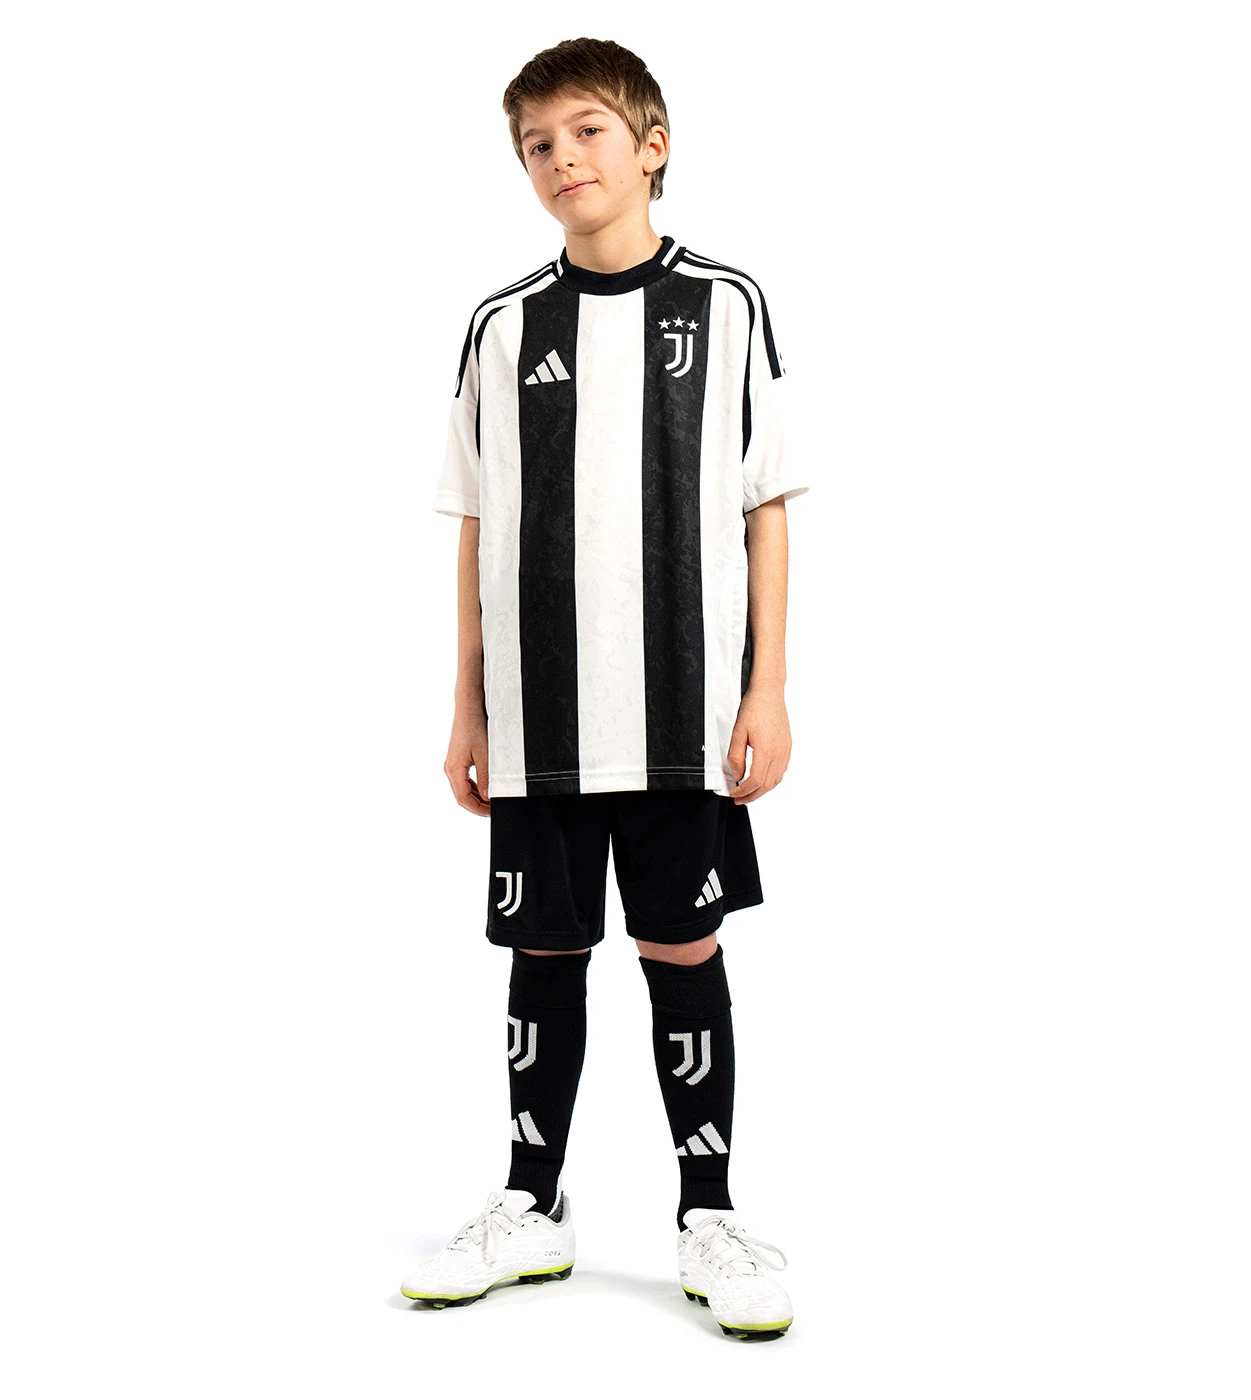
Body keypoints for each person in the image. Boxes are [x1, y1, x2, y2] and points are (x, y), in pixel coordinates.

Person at [400, 37, 808, 1340]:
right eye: (537, 144)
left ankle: (709, 1214)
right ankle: (532, 1204)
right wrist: (466, 706)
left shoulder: (726, 306)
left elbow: (765, 507)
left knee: (682, 946)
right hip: (541, 718)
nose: (562, 158)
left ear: (653, 144)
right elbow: (477, 524)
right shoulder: (502, 327)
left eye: (586, 131)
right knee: (544, 950)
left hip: (685, 714)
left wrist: (768, 690)